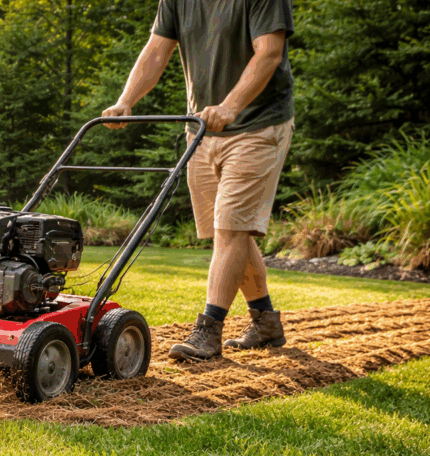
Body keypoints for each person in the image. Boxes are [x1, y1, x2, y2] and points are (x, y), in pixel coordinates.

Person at [103, 0, 295, 361]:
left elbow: (269, 53)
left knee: (232, 229)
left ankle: (208, 331)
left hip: (258, 125)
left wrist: (231, 105)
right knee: (228, 231)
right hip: (204, 129)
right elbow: (157, 50)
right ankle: (266, 321)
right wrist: (126, 100)